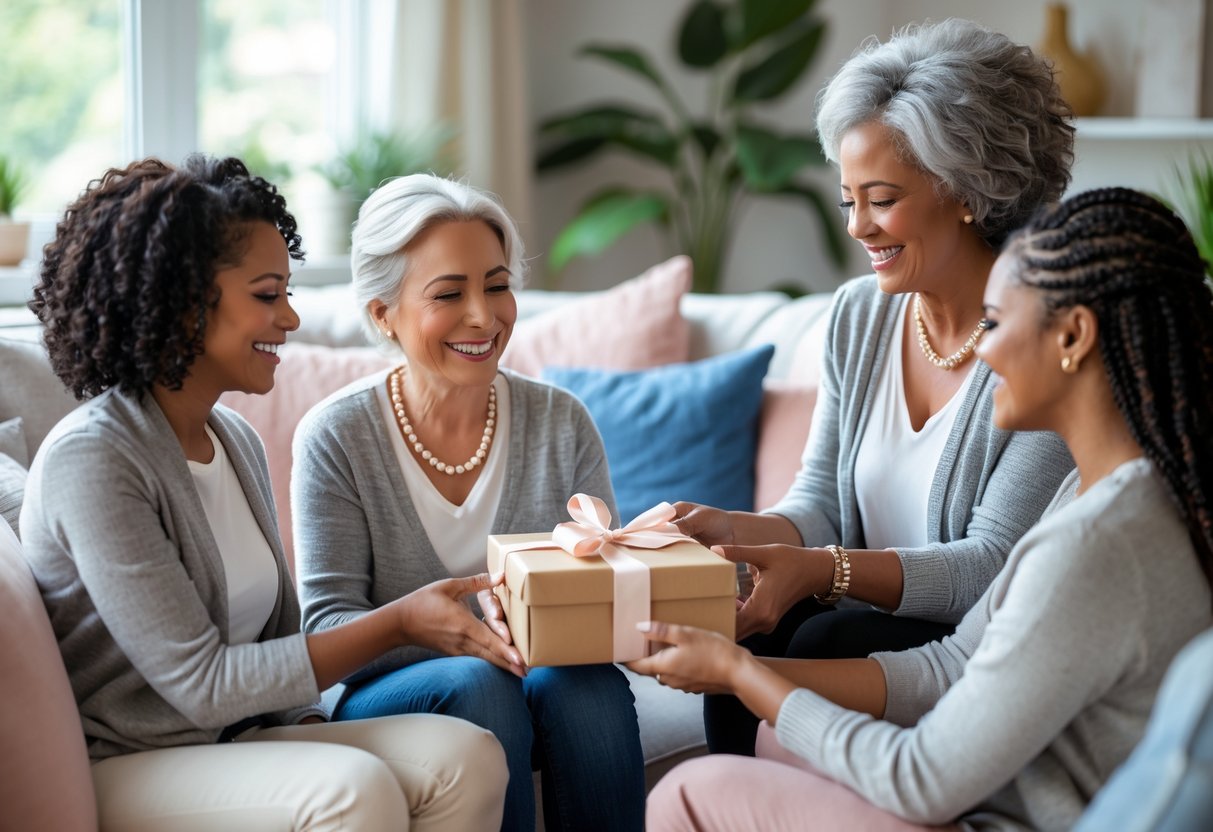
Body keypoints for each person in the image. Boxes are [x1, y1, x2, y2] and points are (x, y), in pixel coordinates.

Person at [629, 187, 1213, 830]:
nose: (982, 352)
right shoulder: (1108, 492)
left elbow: (921, 777)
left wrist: (740, 671)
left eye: (997, 323)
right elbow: (951, 667)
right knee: (773, 738)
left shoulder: (1097, 546)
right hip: (982, 785)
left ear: (1073, 335)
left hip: (998, 812)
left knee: (691, 792)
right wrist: (742, 673)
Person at [21, 156, 511, 831]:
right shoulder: (96, 459)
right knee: (351, 789)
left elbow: (277, 638)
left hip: (234, 744)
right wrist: (398, 621)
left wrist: (306, 726)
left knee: (466, 756)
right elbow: (203, 684)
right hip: (130, 761)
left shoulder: (234, 440)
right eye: (267, 293)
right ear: (183, 299)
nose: (289, 317)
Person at [673, 18, 1078, 755]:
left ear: (966, 190)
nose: (858, 227)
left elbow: (990, 568)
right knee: (775, 629)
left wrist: (820, 572)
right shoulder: (859, 315)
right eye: (846, 200)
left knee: (820, 634)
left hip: (976, 647)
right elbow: (822, 500)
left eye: (881, 199)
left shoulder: (1046, 338)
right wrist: (739, 531)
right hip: (854, 614)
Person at [292, 173, 646, 832]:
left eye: (498, 284)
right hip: (393, 697)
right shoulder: (337, 436)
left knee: (585, 685)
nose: (483, 316)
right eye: (449, 294)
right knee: (479, 685)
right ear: (382, 314)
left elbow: (602, 594)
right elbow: (324, 627)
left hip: (540, 681)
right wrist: (456, 631)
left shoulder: (560, 421)